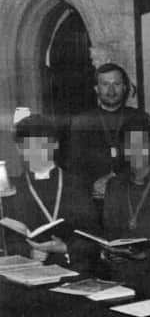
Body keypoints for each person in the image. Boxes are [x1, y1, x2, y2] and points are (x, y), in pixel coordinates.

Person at [4, 115, 99, 272]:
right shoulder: (12, 188)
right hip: (29, 272)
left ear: (55, 144)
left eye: (41, 145)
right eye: (28, 146)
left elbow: (94, 238)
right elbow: (8, 240)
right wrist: (27, 252)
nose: (35, 152)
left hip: (74, 269)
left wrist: (65, 247)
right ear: (19, 149)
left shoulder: (76, 184)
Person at [101, 120, 150, 293]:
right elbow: (109, 231)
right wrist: (108, 252)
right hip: (118, 274)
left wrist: (144, 255)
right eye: (129, 145)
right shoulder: (114, 184)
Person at [67, 63, 149, 200]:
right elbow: (74, 167)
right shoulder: (82, 121)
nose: (111, 90)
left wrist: (116, 180)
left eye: (116, 84)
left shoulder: (138, 119)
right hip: (93, 196)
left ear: (124, 88)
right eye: (105, 84)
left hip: (128, 194)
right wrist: (93, 185)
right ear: (96, 88)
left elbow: (142, 161)